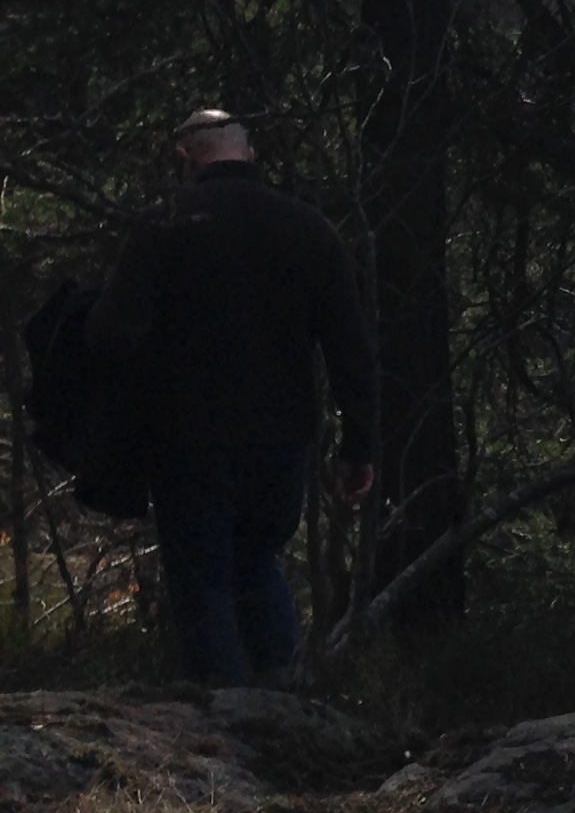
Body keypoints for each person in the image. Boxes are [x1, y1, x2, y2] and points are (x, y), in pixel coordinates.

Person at [91, 111, 377, 686]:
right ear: (248, 155)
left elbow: (112, 334)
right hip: (282, 441)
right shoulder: (309, 229)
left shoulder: (164, 225)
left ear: (187, 157)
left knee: (203, 582)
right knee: (258, 562)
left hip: (188, 439)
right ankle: (286, 713)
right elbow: (350, 346)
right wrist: (360, 446)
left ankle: (225, 736)